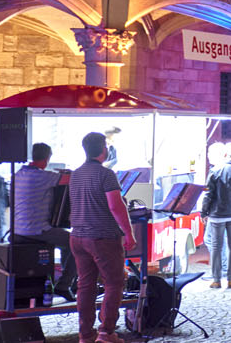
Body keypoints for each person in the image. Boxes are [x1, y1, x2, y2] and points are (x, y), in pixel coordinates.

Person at [69, 130, 135, 343]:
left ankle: (85, 334)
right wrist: (128, 233)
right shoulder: (106, 175)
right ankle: (106, 332)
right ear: (103, 149)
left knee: (85, 284)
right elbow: (116, 206)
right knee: (114, 283)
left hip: (78, 236)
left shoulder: (76, 173)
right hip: (103, 237)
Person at [12, 143, 74, 300]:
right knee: (78, 243)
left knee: (66, 242)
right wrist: (69, 173)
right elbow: (71, 180)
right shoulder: (43, 176)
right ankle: (64, 285)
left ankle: (63, 282)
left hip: (17, 230)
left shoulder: (18, 174)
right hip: (37, 231)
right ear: (47, 158)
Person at [201, 142, 231, 288]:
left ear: (224, 155)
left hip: (217, 214)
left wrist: (204, 211)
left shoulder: (215, 171)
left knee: (216, 246)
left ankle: (216, 280)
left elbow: (208, 194)